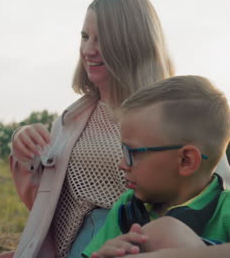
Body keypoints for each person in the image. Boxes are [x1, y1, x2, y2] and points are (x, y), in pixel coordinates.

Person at [4, 0, 230, 257]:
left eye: (103, 39)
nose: (88, 50)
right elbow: (44, 203)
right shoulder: (73, 118)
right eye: (85, 37)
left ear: (133, 44)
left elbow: (211, 181)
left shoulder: (170, 116)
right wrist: (24, 148)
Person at [83, 75, 230, 258]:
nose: (121, 164)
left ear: (186, 161)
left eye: (132, 153)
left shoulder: (225, 209)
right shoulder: (126, 207)